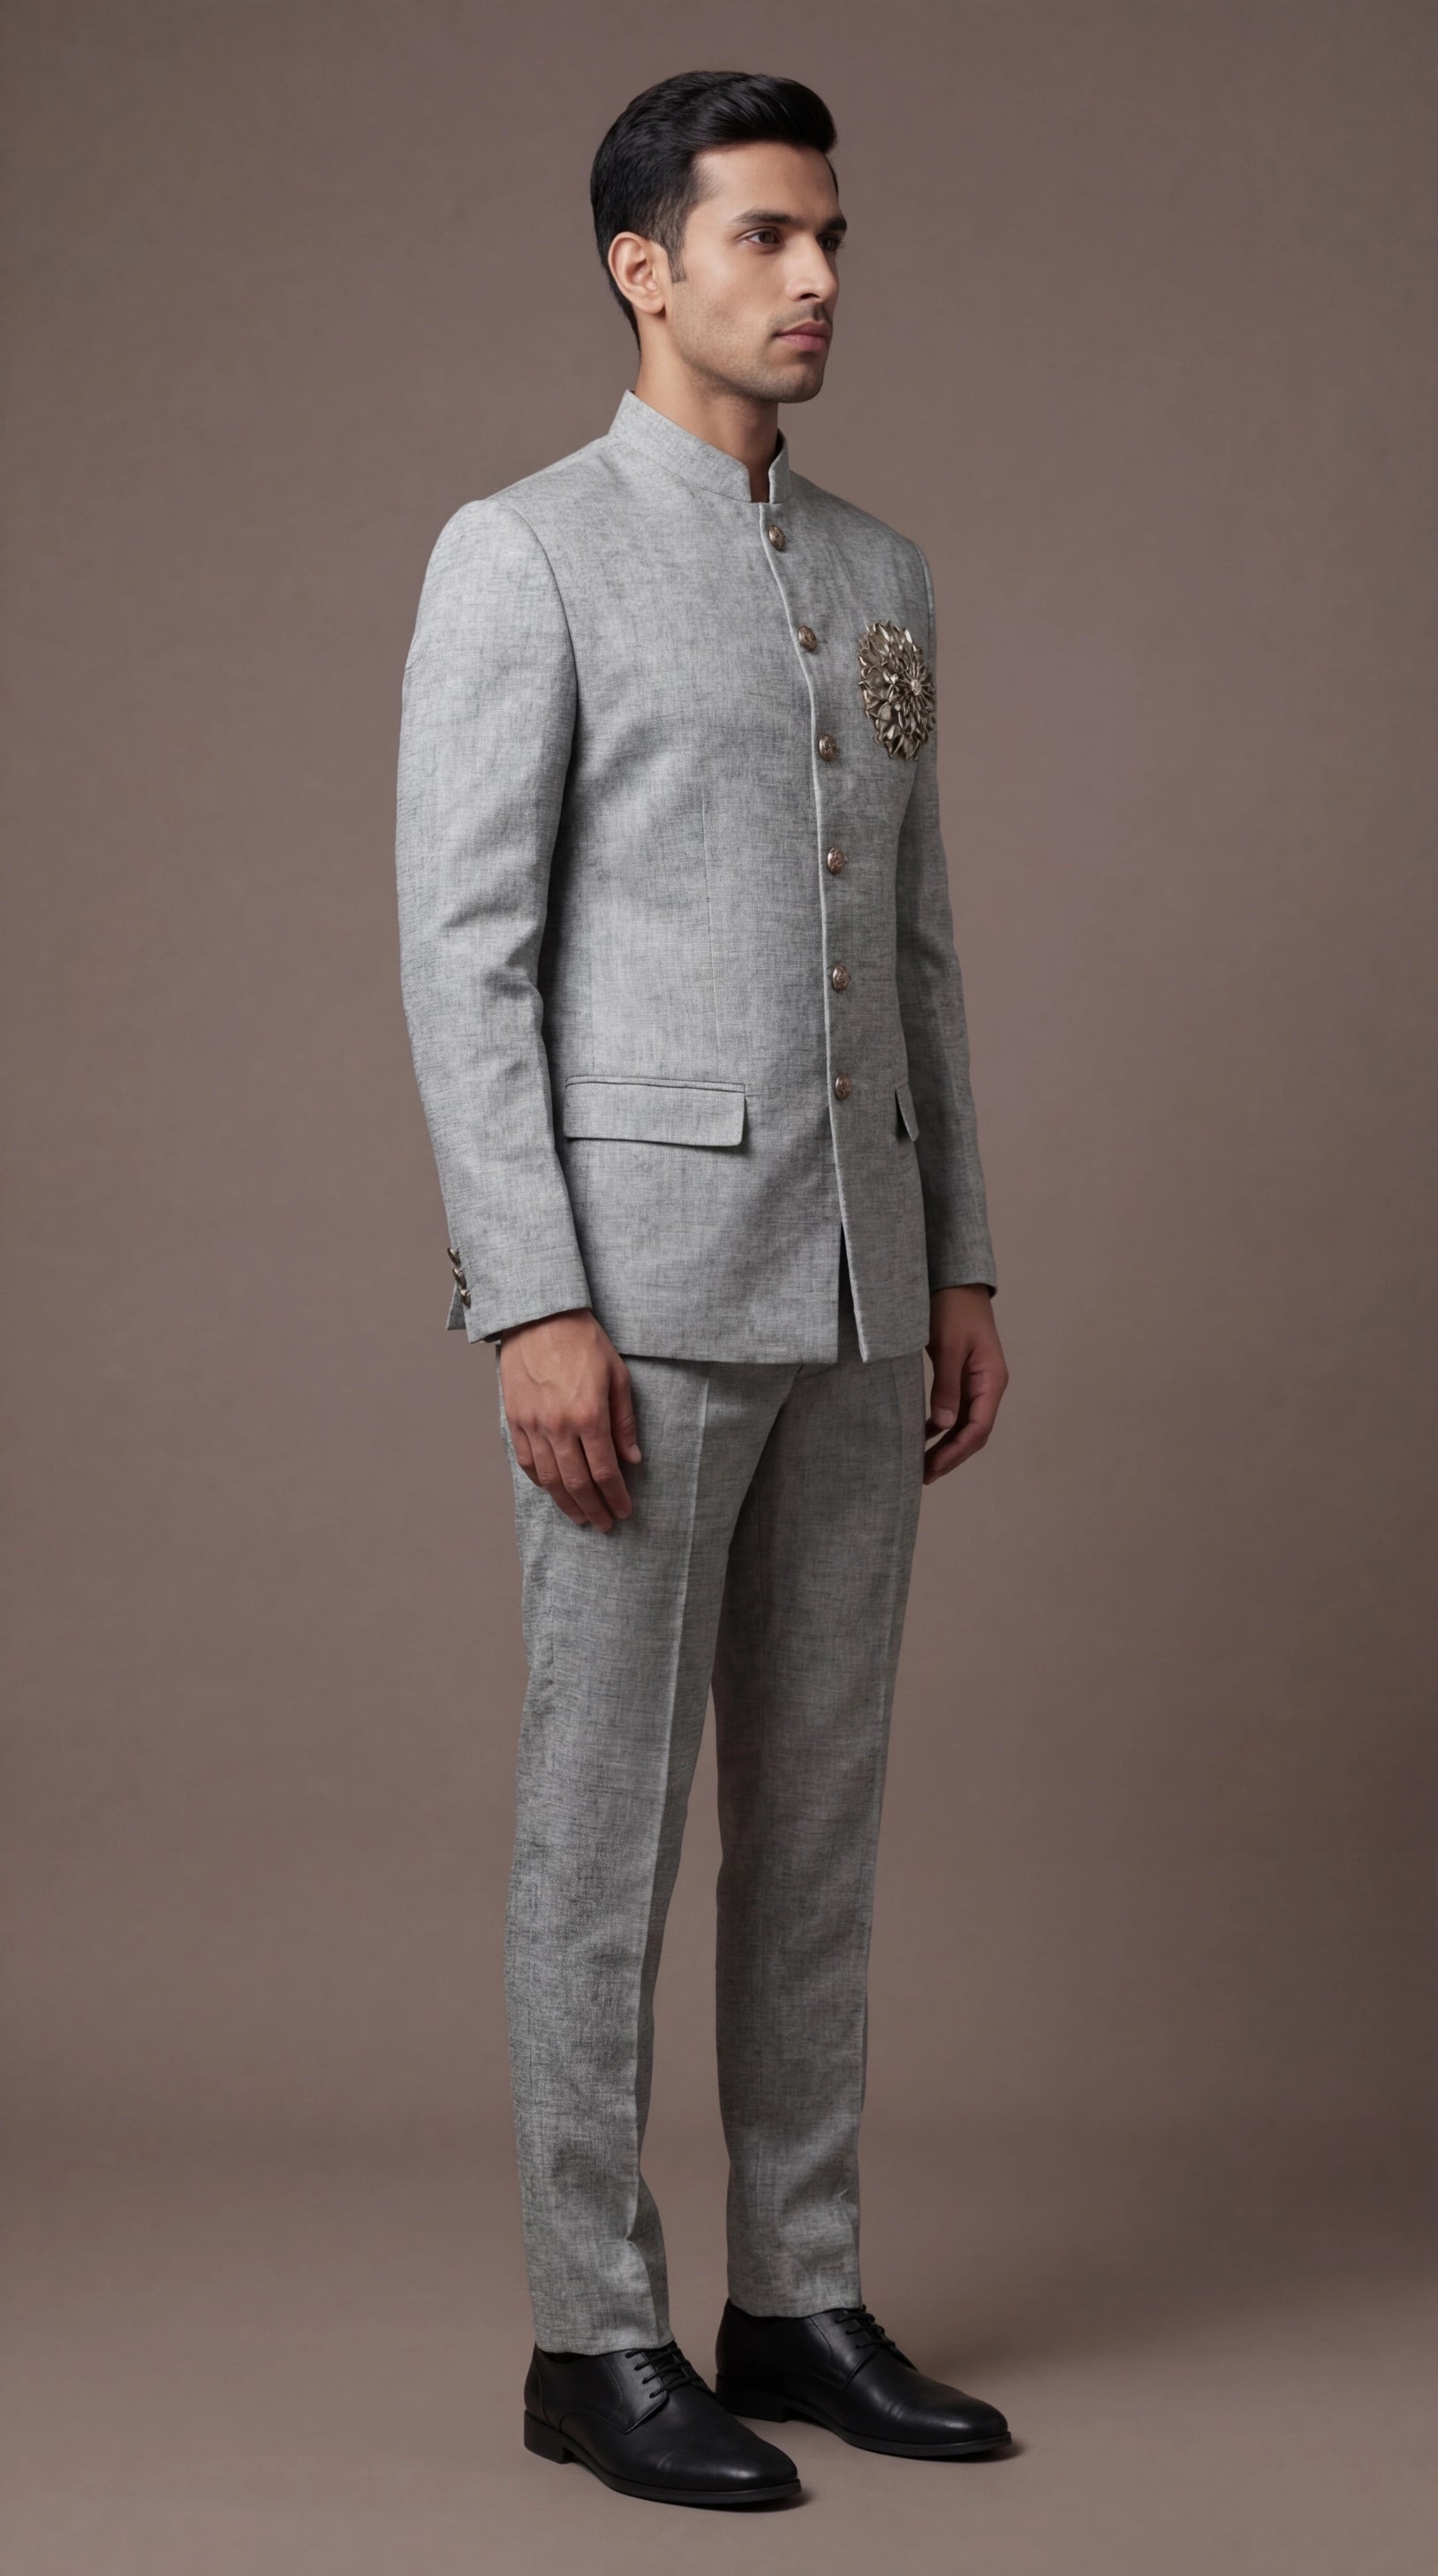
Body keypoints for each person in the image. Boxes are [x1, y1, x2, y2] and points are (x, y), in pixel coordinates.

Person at [395, 67, 1014, 2510]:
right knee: (605, 1832)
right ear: (642, 267)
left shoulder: (879, 572)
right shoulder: (523, 553)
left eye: (829, 233)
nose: (817, 276)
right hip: (636, 1304)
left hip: (862, 1291)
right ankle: (591, 2334)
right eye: (764, 235)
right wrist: (527, 1299)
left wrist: (960, 1255)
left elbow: (919, 948)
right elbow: (467, 957)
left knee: (820, 1823)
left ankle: (797, 2296)